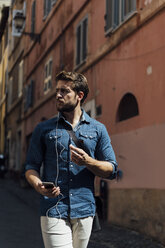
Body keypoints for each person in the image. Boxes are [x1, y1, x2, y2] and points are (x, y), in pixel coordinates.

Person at [25, 71, 118, 248]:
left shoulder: (98, 129)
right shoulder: (43, 129)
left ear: (79, 96)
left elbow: (111, 169)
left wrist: (88, 161)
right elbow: (31, 166)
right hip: (53, 208)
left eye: (64, 91)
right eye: (57, 90)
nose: (58, 95)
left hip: (85, 209)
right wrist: (38, 185)